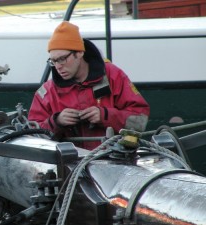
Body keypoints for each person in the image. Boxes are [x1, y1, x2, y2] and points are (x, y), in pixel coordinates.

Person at [28, 21, 150, 150]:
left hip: (115, 161)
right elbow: (32, 137)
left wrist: (105, 116)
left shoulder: (113, 76)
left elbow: (140, 121)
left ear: (80, 53)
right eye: (53, 61)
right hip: (68, 166)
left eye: (62, 59)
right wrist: (56, 122)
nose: (58, 66)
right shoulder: (47, 92)